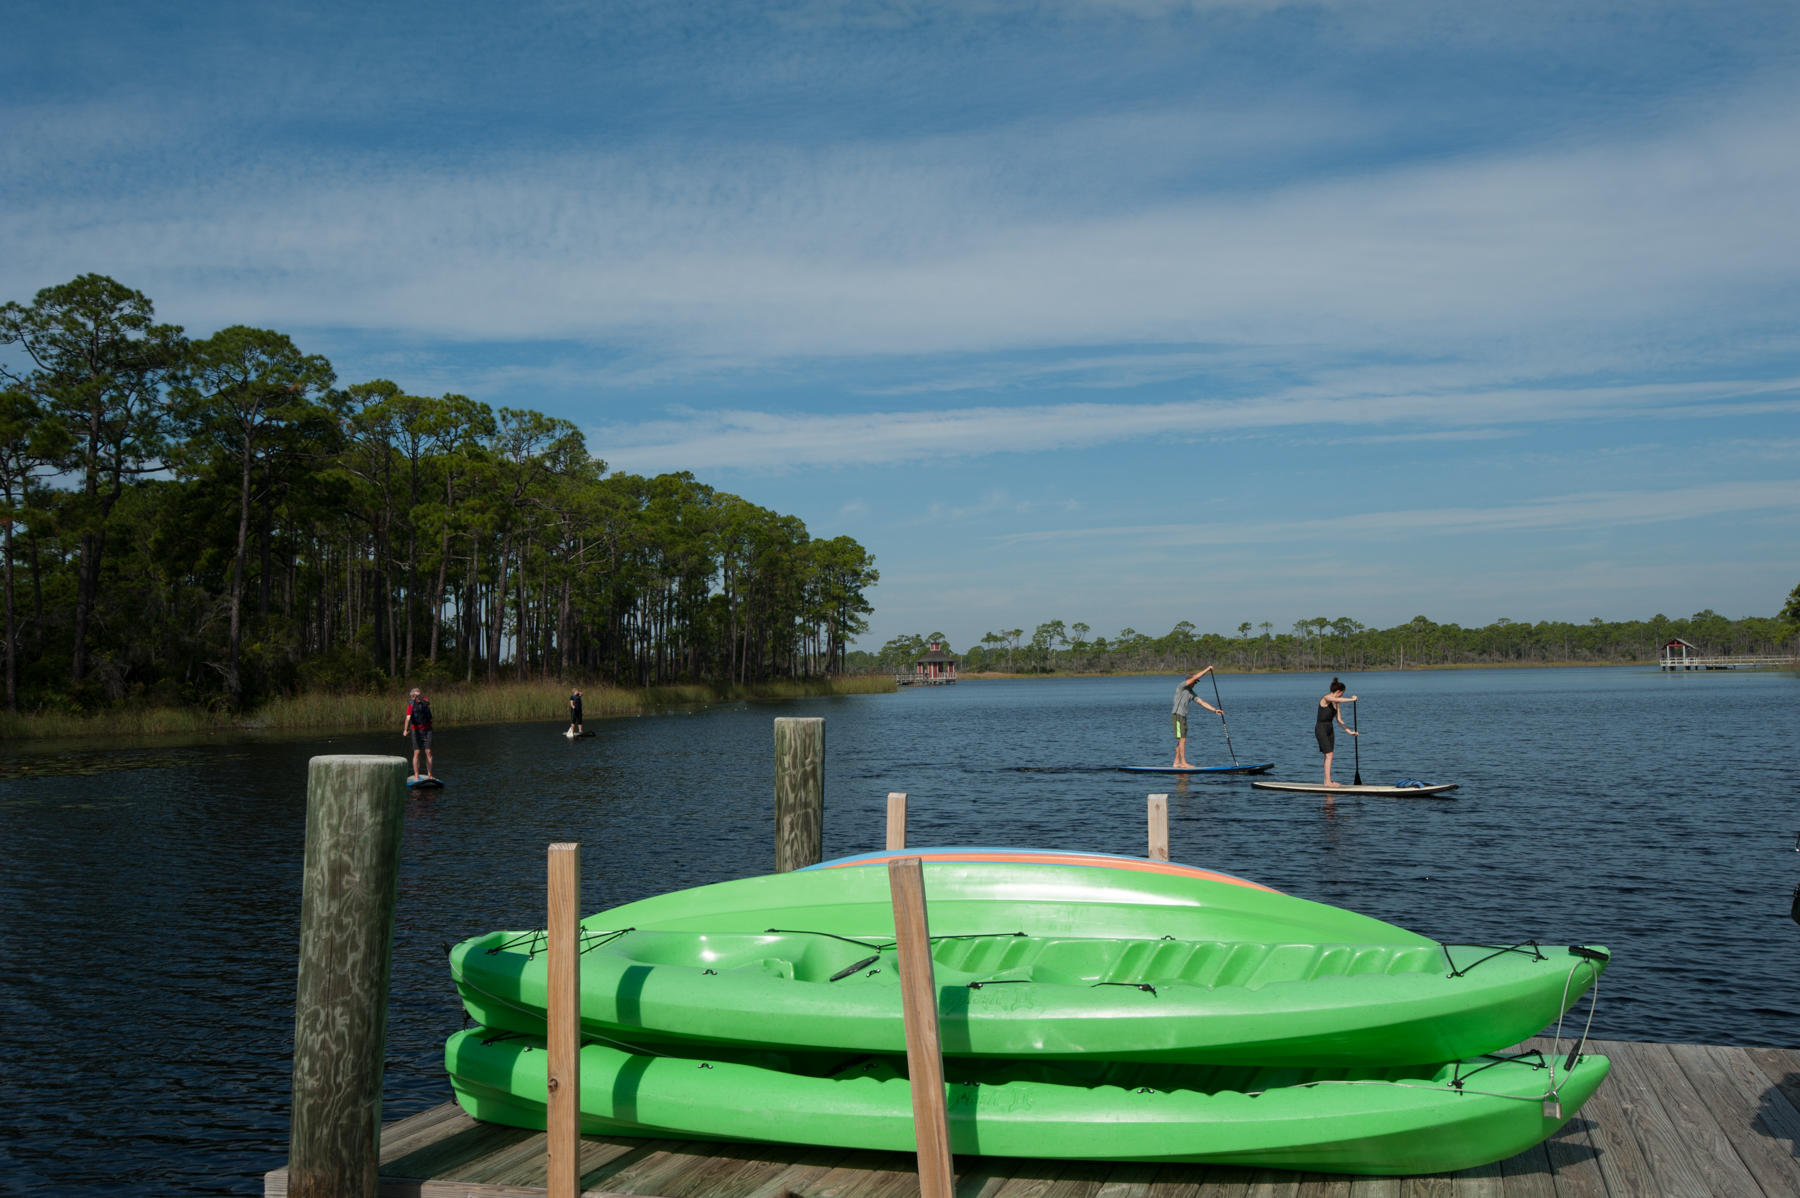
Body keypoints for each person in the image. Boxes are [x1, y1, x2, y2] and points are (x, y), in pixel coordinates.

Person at [1171, 666, 1222, 768]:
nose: (1195, 684)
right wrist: (1208, 669)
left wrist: (1214, 710)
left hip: (1183, 717)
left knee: (1181, 740)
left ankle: (1176, 762)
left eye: (1196, 682)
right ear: (1189, 681)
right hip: (1177, 715)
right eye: (1194, 682)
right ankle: (1183, 762)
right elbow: (1194, 677)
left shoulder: (1191, 693)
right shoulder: (1181, 687)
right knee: (1182, 739)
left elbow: (1202, 702)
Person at [1315, 677, 1358, 786]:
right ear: (1338, 692)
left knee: (1328, 755)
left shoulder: (1336, 704)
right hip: (1321, 728)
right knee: (1329, 755)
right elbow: (1338, 699)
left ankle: (1326, 781)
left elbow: (1339, 720)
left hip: (1330, 728)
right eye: (1342, 693)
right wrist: (1351, 699)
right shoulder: (1326, 698)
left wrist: (1350, 732)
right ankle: (1328, 781)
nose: (1342, 696)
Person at [402, 687, 435, 780]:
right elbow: (408, 718)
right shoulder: (411, 705)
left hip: (427, 730)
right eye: (415, 696)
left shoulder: (425, 702)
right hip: (416, 730)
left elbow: (427, 704)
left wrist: (421, 700)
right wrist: (405, 730)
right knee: (417, 752)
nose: (417, 697)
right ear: (412, 697)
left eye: (418, 695)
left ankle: (430, 774)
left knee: (428, 751)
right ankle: (416, 775)